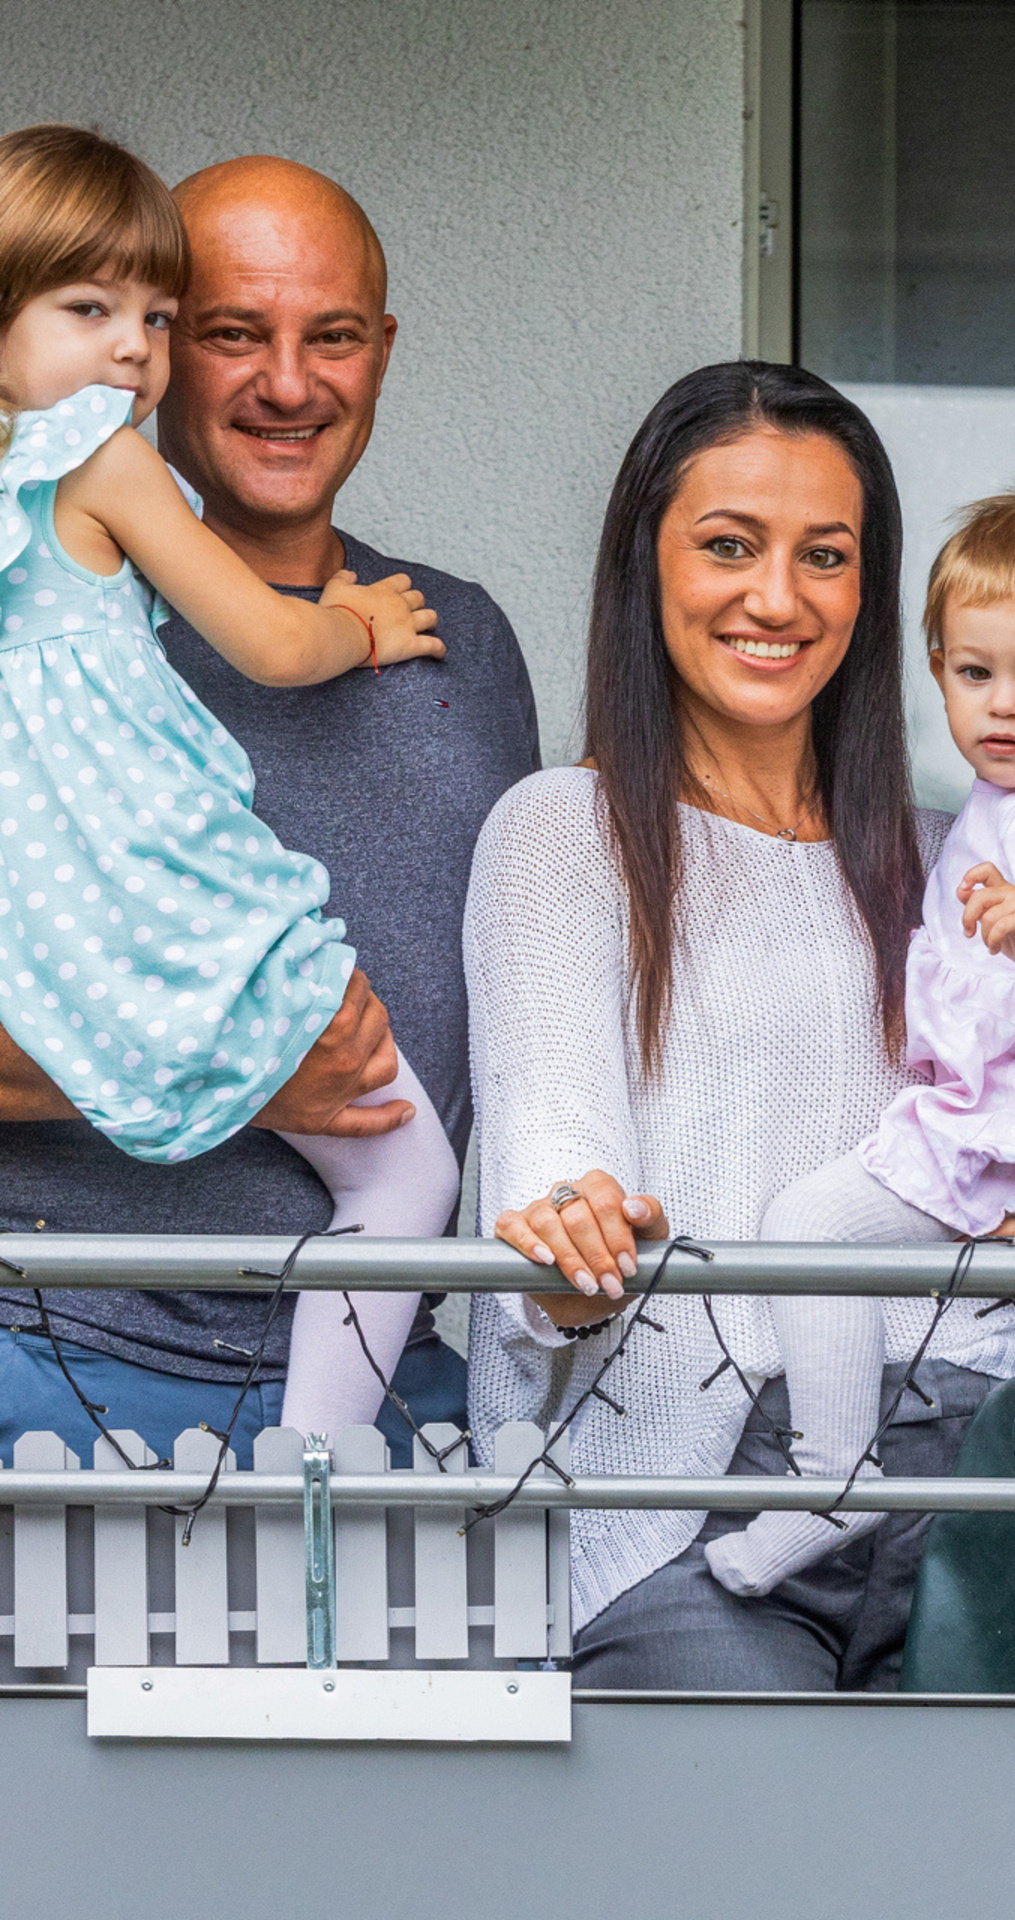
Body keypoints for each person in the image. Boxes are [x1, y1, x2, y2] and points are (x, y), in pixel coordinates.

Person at [466, 362, 1015, 1692]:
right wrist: (569, 1243)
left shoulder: (966, 863)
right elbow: (549, 1156)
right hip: (694, 1515)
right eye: (728, 545)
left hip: (988, 1474)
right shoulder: (563, 833)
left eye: (825, 555)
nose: (777, 596)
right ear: (644, 563)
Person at [0, 145, 541, 1465]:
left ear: (384, 353)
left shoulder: (465, 639)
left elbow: (527, 1011)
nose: (289, 384)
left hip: (397, 1387)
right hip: (50, 1363)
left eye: (333, 336)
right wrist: (240, 1070)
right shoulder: (46, 640)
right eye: (232, 333)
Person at [706, 473, 1015, 1599]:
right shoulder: (1014, 803)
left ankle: (833, 1478)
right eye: (975, 674)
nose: (1004, 707)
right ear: (936, 668)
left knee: (810, 1226)